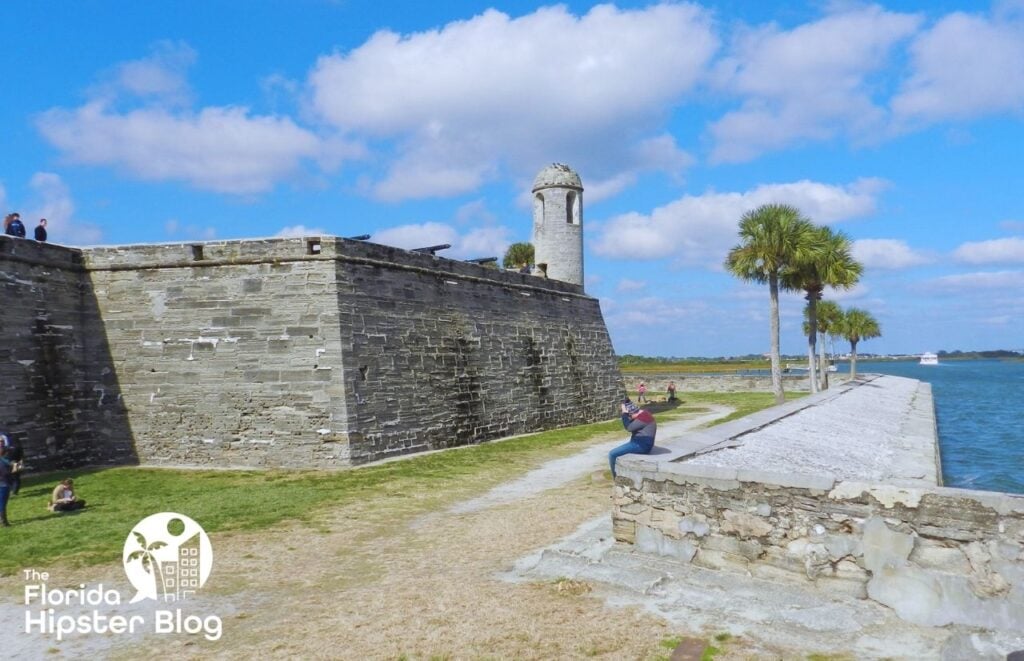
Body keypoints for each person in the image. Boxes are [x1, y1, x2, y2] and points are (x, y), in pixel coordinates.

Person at [608, 400, 657, 477]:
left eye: (629, 416)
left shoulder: (643, 418)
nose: (629, 418)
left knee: (612, 454)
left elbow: (629, 428)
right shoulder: (644, 414)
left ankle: (616, 478)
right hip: (641, 444)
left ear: (632, 413)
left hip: (641, 446)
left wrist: (624, 413)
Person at [0, 447, 12, 526]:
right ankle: (4, 521)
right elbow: (6, 473)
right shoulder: (3, 463)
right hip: (3, 484)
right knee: (2, 504)